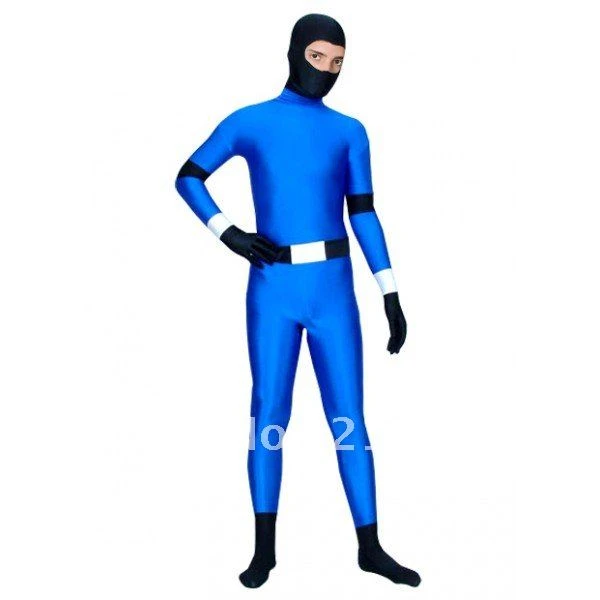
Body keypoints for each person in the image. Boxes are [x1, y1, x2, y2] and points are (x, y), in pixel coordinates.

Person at [175, 13, 420, 589]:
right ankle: (264, 549)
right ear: (293, 53)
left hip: (334, 288)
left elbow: (363, 212)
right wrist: (229, 233)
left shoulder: (350, 131)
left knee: (349, 417)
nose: (327, 71)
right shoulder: (251, 121)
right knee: (269, 414)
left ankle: (370, 546)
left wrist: (389, 289)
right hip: (274, 286)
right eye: (318, 58)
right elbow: (189, 175)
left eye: (338, 63)